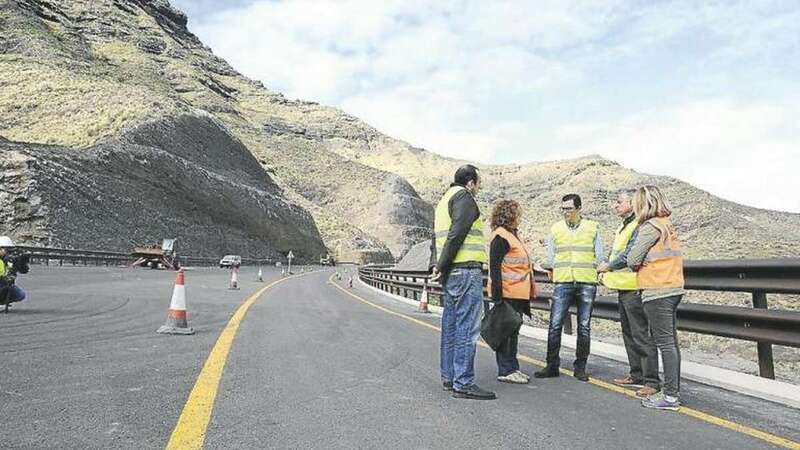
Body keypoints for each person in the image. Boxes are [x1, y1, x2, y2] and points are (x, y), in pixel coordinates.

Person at [612, 185, 685, 411]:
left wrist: (638, 263)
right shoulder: (665, 224)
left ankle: (671, 396)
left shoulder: (649, 226)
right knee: (670, 343)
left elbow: (633, 259)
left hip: (657, 290)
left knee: (665, 344)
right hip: (673, 287)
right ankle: (671, 392)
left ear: (644, 203)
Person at [431, 164, 495, 400]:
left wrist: (439, 266)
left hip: (451, 273)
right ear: (470, 183)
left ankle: (449, 377)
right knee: (467, 327)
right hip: (466, 270)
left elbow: (436, 240)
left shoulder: (442, 201)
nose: (479, 188)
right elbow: (456, 233)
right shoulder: (464, 198)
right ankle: (464, 382)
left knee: (450, 326)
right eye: (478, 184)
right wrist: (441, 265)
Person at [597, 190, 660, 398]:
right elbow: (617, 252)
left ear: (632, 205)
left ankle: (652, 380)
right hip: (623, 286)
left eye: (619, 202)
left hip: (635, 285)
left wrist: (608, 266)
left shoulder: (637, 225)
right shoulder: (623, 226)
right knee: (628, 332)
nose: (615, 205)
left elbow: (629, 254)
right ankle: (636, 374)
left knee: (641, 333)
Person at [535, 194, 604, 382]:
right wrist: (544, 266)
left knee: (584, 327)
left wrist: (602, 271)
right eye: (563, 209)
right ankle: (551, 365)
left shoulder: (593, 227)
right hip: (563, 281)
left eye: (569, 209)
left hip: (586, 282)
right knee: (555, 324)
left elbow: (600, 257)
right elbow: (551, 257)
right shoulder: (555, 229)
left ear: (579, 208)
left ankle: (580, 367)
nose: (566, 212)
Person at [486, 200, 538, 384]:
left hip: (518, 294)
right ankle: (506, 370)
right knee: (506, 333)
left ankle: (512, 368)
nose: (519, 218)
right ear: (509, 216)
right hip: (507, 294)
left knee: (512, 332)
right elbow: (495, 268)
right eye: (517, 215)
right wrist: (498, 298)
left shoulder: (512, 235)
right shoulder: (501, 237)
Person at [0, 236, 27, 305]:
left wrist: (22, 262)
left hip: (6, 284)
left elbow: (23, 271)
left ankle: (2, 301)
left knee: (20, 295)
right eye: (6, 250)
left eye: (9, 250)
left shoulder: (10, 260)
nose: (8, 252)